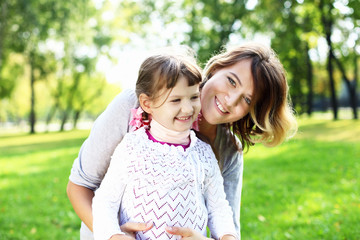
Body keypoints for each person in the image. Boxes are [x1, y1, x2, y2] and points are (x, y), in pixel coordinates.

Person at [67, 42, 297, 240]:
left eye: (246, 99)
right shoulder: (132, 105)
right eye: (232, 81)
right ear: (216, 68)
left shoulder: (228, 151)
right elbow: (79, 185)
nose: (230, 100)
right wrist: (113, 234)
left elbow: (226, 224)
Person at [92, 53, 238, 240]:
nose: (187, 109)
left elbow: (218, 208)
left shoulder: (203, 152)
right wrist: (114, 236)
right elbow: (105, 201)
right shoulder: (132, 147)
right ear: (147, 103)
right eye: (175, 100)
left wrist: (228, 237)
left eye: (194, 97)